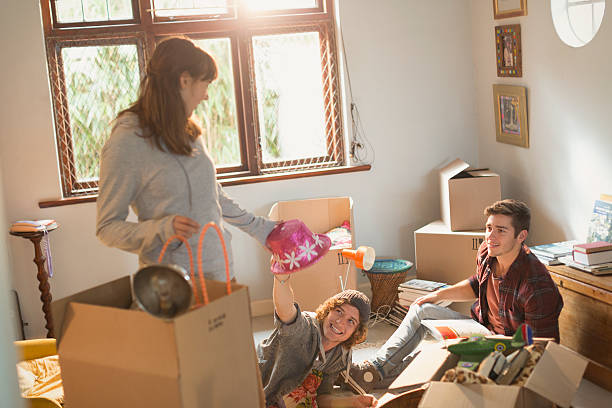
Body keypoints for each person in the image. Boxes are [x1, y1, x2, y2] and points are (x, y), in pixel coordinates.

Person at [96, 37, 276, 281]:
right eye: (205, 85)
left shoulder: (188, 133)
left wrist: (263, 230)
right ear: (184, 81)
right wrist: (160, 229)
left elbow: (213, 196)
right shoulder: (128, 142)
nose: (206, 96)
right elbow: (107, 228)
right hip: (173, 285)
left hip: (221, 272)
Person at [349, 199, 564, 392]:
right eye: (489, 228)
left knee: (441, 354)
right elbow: (475, 284)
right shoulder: (488, 252)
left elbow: (540, 345)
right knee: (421, 309)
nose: (491, 236)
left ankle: (374, 378)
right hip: (483, 327)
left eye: (501, 230)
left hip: (506, 349)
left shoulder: (536, 285)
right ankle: (375, 368)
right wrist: (438, 295)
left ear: (521, 236)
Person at [258, 272, 378, 408]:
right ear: (328, 310)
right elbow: (285, 311)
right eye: (339, 311)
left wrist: (353, 402)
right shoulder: (306, 328)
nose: (340, 322)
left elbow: (322, 398)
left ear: (356, 332)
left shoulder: (340, 356)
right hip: (258, 389)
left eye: (351, 321)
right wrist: (281, 277)